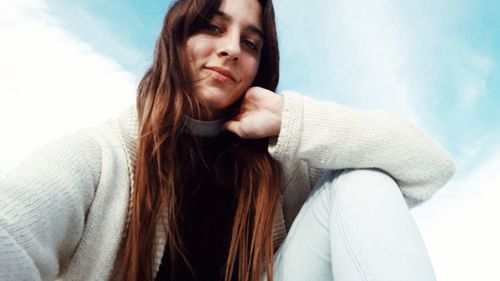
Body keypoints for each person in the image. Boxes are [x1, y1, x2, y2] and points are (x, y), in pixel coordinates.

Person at [0, 0, 455, 280]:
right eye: (213, 27)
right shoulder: (105, 158)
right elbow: (12, 230)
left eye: (251, 42)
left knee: (362, 181)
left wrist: (290, 120)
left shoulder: (282, 167)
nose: (231, 48)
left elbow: (428, 165)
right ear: (177, 38)